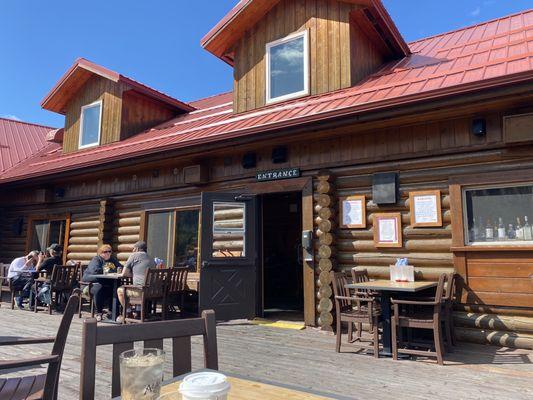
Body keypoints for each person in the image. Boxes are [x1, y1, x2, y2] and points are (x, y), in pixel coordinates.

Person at [116, 241, 155, 322]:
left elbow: (124, 273)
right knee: (137, 284)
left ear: (137, 249)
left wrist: (133, 274)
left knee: (120, 290)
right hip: (153, 291)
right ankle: (138, 312)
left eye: (133, 248)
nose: (132, 250)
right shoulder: (151, 257)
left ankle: (128, 312)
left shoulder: (134, 256)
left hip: (142, 290)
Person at [83, 244, 123, 321]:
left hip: (105, 282)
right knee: (99, 288)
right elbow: (95, 271)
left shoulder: (112, 259)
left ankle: (113, 312)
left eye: (109, 251)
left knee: (116, 287)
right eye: (105, 252)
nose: (108, 253)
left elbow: (120, 267)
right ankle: (99, 313)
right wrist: (109, 270)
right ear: (100, 253)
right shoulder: (96, 259)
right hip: (90, 283)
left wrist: (118, 270)